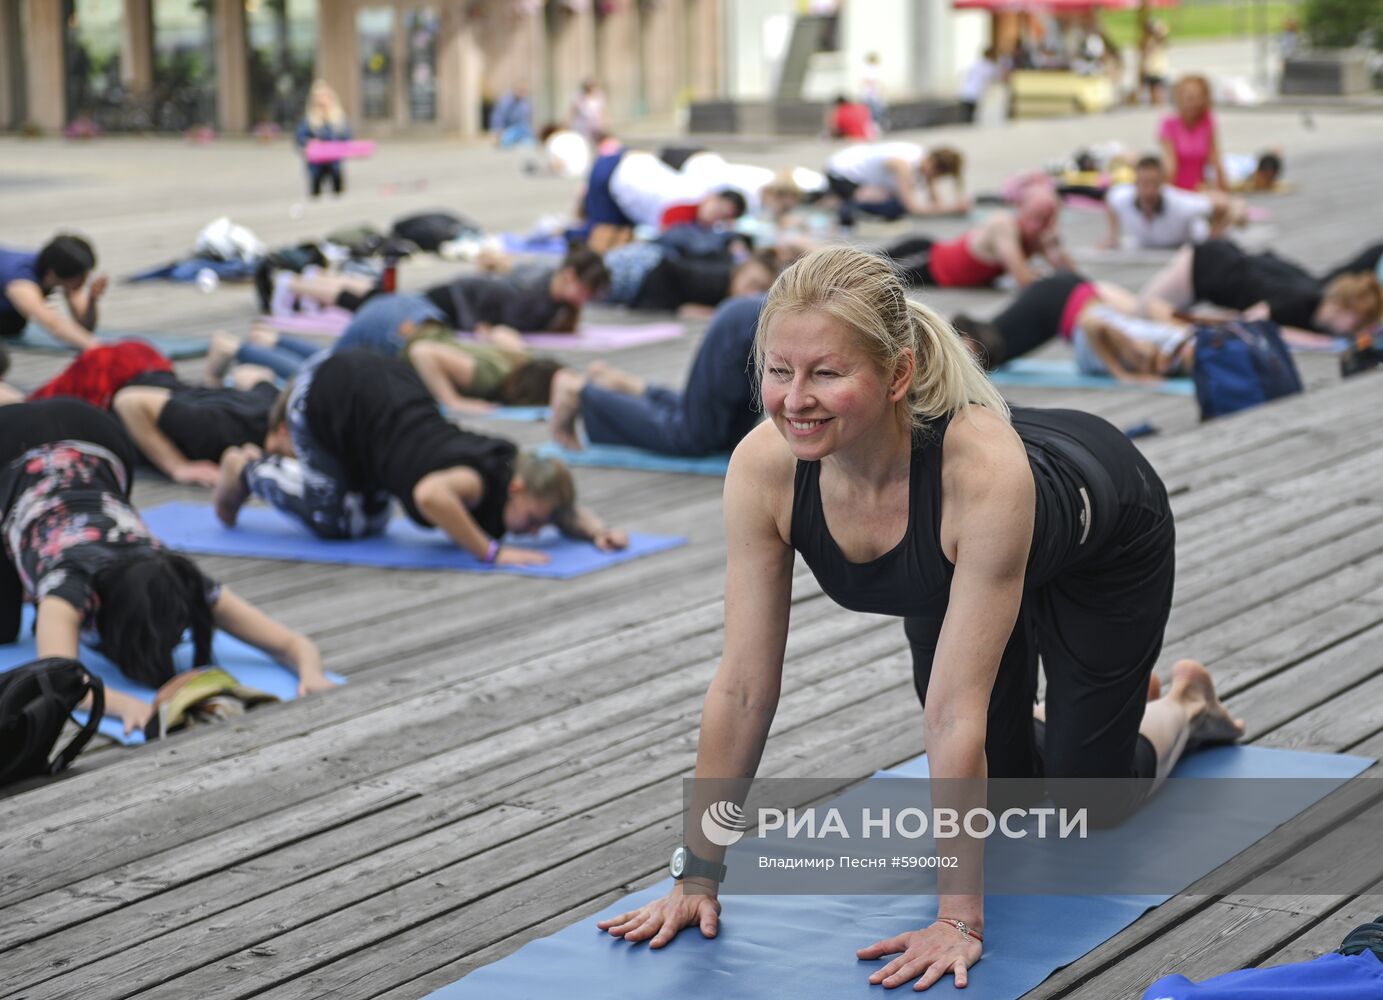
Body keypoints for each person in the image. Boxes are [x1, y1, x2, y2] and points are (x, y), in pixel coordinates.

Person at [594, 246, 1244, 989]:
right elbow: (742, 688)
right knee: (1000, 798)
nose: (794, 399)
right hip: (965, 559)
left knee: (1086, 800)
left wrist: (957, 920)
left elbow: (948, 715)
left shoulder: (978, 473)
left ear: (897, 376)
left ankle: (1184, 705)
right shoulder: (764, 468)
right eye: (779, 371)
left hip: (1102, 531)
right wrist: (696, 873)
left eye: (826, 373)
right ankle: (1061, 698)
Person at [1, 399, 333, 736]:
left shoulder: (181, 579)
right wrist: (125, 705)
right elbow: (59, 678)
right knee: (4, 628)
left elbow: (292, 643)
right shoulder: (70, 584)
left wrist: (312, 675)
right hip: (9, 443)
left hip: (99, 438)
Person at [213, 351, 626, 566]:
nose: (535, 532)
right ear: (515, 489)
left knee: (371, 520)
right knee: (335, 522)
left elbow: (562, 510)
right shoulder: (478, 481)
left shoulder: (515, 472)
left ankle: (270, 465)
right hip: (327, 397)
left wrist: (597, 531)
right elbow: (431, 495)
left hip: (374, 395)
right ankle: (245, 471)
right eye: (534, 522)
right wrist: (489, 552)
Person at [548, 294, 765, 454]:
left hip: (749, 322)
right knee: (694, 435)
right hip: (745, 328)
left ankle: (631, 387)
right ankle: (578, 392)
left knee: (724, 436)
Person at [1139, 239, 1383, 337]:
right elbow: (1248, 323)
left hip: (1225, 261)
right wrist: (1318, 342)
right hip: (1202, 268)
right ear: (1340, 305)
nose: (1355, 329)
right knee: (1138, 314)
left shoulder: (1317, 290)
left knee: (1148, 316)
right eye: (1357, 321)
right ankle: (1100, 294)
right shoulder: (1298, 302)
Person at [885, 185, 1075, 289]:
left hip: (937, 270)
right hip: (929, 259)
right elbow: (1023, 280)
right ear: (1021, 210)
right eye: (1035, 217)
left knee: (882, 276)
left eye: (1045, 220)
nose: (1037, 226)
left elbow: (1072, 277)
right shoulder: (1004, 225)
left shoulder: (1038, 235)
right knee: (873, 269)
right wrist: (1039, 273)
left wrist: (1052, 243)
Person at [950, 271, 1141, 369]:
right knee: (1135, 316)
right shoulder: (990, 344)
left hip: (1058, 297)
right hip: (1058, 296)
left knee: (1137, 317)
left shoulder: (988, 343)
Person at [424, 246, 610, 335]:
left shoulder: (558, 300)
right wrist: (475, 325)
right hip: (445, 303)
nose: (587, 297)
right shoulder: (526, 289)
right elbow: (462, 285)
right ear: (570, 276)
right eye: (585, 290)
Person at [1104, 156, 1247, 250]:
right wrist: (1113, 236)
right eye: (1144, 184)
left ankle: (1240, 205)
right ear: (1135, 184)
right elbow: (1110, 199)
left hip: (1189, 241)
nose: (1149, 190)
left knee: (1236, 215)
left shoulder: (1178, 203)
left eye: (1154, 184)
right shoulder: (1123, 196)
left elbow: (1221, 204)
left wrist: (1214, 234)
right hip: (1152, 245)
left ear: (1162, 184)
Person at [404, 332, 563, 416]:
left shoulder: (521, 358)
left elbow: (501, 333)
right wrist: (453, 401)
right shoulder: (488, 377)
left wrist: (485, 334)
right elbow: (421, 352)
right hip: (402, 334)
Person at [602, 243, 781, 316]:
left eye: (759, 290)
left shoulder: (725, 284)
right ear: (739, 273)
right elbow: (668, 275)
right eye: (751, 284)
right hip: (641, 271)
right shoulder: (715, 282)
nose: (751, 293)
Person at [0, 235, 103, 349]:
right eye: (81, 276)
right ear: (52, 274)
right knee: (13, 322)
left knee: (14, 323)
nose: (85, 280)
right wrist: (102, 350)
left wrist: (92, 300)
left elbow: (84, 328)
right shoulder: (20, 281)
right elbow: (53, 323)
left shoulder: (55, 268)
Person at [825, 142, 969, 222]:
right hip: (841, 174)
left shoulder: (922, 158)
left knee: (891, 197)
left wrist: (941, 203)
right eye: (938, 175)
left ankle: (836, 198)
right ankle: (838, 200)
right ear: (934, 165)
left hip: (855, 172)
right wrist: (953, 209)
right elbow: (912, 208)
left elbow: (936, 203)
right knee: (893, 205)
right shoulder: (903, 165)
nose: (935, 179)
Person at [1159, 75, 1226, 192]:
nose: (1192, 102)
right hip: (1176, 190)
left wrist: (1222, 189)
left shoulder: (1207, 121)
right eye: (1188, 97)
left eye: (1196, 97)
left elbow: (1215, 160)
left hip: (1201, 189)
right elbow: (1170, 164)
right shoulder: (1169, 123)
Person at [296, 80, 351, 198]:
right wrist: (308, 142)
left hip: (334, 163)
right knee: (316, 193)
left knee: (338, 192)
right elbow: (300, 138)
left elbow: (347, 137)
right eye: (318, 97)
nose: (321, 100)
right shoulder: (310, 119)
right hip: (316, 164)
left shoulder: (338, 118)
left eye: (324, 96)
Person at [958, 46, 1001, 124]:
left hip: (966, 91)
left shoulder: (975, 64)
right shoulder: (989, 67)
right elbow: (997, 77)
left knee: (966, 116)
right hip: (974, 93)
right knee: (970, 116)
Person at [1139, 20, 1171, 105]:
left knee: (1158, 90)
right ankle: (1156, 104)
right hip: (1151, 69)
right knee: (1153, 91)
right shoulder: (1149, 41)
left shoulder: (1159, 40)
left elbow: (1164, 32)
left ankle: (1158, 104)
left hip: (1158, 69)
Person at [568, 79, 608, 144]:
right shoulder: (579, 96)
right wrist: (570, 122)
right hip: (582, 124)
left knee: (596, 141)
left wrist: (604, 122)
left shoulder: (599, 95)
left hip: (595, 123)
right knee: (582, 140)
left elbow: (602, 110)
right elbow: (573, 110)